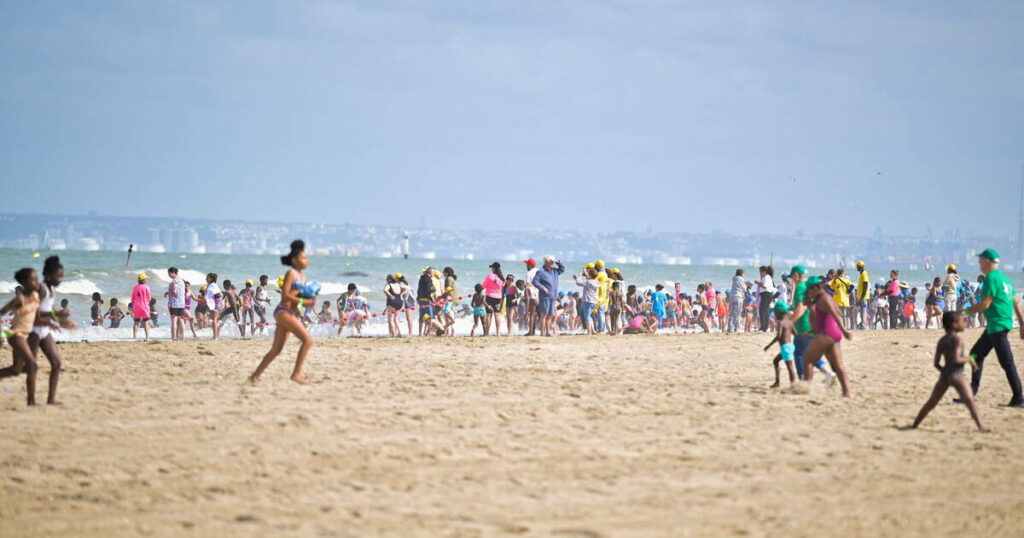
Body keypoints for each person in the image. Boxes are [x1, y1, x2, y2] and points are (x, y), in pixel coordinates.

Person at [956, 249, 1024, 407]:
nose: (979, 264)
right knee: (975, 354)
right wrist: (1021, 324)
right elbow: (1016, 302)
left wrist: (964, 312)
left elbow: (985, 303)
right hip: (1000, 325)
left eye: (980, 261)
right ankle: (971, 394)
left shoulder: (991, 278)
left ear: (987, 261)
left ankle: (1019, 397)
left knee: (1007, 362)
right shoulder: (1004, 278)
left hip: (997, 326)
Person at [250, 240, 315, 385]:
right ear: (294, 260)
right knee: (308, 340)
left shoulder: (303, 277)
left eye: (307, 258)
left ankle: (255, 375)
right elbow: (285, 295)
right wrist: (305, 302)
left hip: (291, 314)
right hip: (283, 311)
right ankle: (296, 374)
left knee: (277, 349)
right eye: (303, 258)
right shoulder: (291, 273)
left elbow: (297, 297)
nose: (306, 261)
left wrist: (309, 299)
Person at [910, 312, 987, 430]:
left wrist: (944, 372)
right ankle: (981, 426)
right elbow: (957, 359)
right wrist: (969, 359)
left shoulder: (942, 340)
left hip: (945, 376)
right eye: (962, 321)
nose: (964, 323)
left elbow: (936, 363)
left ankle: (915, 424)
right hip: (957, 375)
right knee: (970, 402)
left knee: (931, 402)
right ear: (954, 325)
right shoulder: (958, 340)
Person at [26, 257, 75, 405]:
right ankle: (31, 400)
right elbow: (34, 314)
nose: (60, 279)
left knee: (56, 363)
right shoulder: (40, 289)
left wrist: (62, 320)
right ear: (48, 275)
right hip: (34, 331)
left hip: (44, 331)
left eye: (62, 276)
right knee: (32, 366)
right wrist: (56, 316)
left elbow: (49, 310)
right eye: (58, 276)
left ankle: (51, 399)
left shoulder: (51, 290)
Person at [800, 277, 853, 397]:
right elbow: (827, 318)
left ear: (815, 288)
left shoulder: (824, 298)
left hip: (826, 334)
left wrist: (845, 331)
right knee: (838, 365)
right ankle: (847, 392)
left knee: (808, 359)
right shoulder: (824, 299)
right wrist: (808, 333)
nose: (809, 294)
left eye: (809, 291)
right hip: (833, 334)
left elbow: (835, 314)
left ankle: (805, 389)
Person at [0, 268, 45, 405]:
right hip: (16, 336)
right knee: (32, 365)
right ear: (24, 283)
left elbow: (37, 317)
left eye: (37, 279)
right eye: (32, 280)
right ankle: (31, 401)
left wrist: (57, 318)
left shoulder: (36, 297)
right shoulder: (19, 299)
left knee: (16, 369)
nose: (36, 282)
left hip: (27, 335)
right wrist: (1, 334)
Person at [789, 265, 832, 382]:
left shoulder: (799, 288)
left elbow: (801, 308)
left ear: (796, 275)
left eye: (792, 276)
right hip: (814, 324)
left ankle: (803, 379)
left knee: (798, 353)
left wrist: (789, 321)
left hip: (804, 325)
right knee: (809, 352)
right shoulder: (808, 286)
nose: (792, 279)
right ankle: (827, 373)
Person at [765, 301, 796, 388]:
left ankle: (793, 386)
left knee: (790, 367)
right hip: (790, 346)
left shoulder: (780, 322)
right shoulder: (790, 322)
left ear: (778, 312)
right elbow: (795, 333)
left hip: (785, 347)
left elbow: (778, 336)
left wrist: (769, 345)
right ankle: (777, 382)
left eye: (775, 312)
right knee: (776, 361)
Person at [532, 256, 565, 337]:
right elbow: (535, 281)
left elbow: (562, 269)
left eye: (553, 262)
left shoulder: (555, 271)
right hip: (544, 297)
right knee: (544, 315)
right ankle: (542, 333)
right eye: (551, 261)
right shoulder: (540, 271)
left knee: (550, 315)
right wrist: (543, 288)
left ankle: (548, 332)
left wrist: (558, 262)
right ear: (546, 263)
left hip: (553, 297)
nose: (552, 263)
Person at [574, 266, 600, 335]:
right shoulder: (597, 282)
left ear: (590, 275)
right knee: (589, 316)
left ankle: (589, 332)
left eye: (588, 274)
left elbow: (578, 283)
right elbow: (588, 279)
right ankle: (593, 330)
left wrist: (578, 277)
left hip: (587, 301)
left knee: (587, 317)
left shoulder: (589, 282)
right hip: (594, 301)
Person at [481, 262, 504, 336]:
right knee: (497, 315)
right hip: (498, 297)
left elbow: (483, 286)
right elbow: (503, 286)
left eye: (492, 268)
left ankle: (487, 333)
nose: (491, 269)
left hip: (489, 297)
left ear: (494, 268)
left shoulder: (489, 276)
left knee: (488, 315)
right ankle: (498, 333)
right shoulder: (502, 278)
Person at [754, 266, 776, 332]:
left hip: (767, 294)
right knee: (765, 311)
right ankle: (764, 327)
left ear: (764, 271)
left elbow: (764, 286)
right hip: (766, 294)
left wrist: (758, 283)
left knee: (762, 311)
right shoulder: (765, 277)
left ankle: (763, 327)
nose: (760, 273)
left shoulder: (767, 277)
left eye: (760, 271)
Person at [165, 267, 186, 341]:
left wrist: (167, 293)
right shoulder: (182, 281)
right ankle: (183, 337)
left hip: (174, 303)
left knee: (174, 320)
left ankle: (174, 337)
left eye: (169, 273)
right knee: (181, 320)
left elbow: (174, 291)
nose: (169, 275)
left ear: (173, 272)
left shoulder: (174, 281)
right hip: (182, 303)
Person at [131, 273, 152, 340]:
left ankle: (134, 336)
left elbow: (132, 298)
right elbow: (149, 298)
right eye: (145, 279)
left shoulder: (135, 287)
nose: (146, 280)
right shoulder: (146, 287)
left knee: (136, 322)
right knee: (145, 322)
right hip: (144, 306)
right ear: (143, 280)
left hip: (136, 306)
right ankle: (147, 337)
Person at [416, 267, 436, 335]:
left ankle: (420, 333)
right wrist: (433, 289)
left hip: (420, 299)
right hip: (426, 300)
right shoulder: (428, 279)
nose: (434, 273)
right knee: (430, 317)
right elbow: (428, 289)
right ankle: (428, 333)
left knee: (421, 316)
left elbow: (419, 289)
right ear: (430, 272)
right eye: (434, 272)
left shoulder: (421, 278)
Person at [522, 259, 540, 336]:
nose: (526, 266)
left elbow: (528, 287)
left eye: (527, 264)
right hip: (540, 294)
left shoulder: (528, 274)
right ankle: (542, 330)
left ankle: (531, 332)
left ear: (530, 265)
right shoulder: (539, 271)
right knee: (540, 314)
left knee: (531, 315)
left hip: (532, 295)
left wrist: (526, 298)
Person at [204, 273, 222, 340]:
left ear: (211, 278)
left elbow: (218, 294)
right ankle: (215, 336)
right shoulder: (210, 285)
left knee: (214, 320)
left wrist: (206, 299)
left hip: (216, 303)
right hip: (215, 303)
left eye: (207, 278)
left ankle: (215, 337)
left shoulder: (213, 285)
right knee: (213, 320)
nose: (206, 279)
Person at [855, 261, 870, 329]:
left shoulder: (864, 273)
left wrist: (862, 296)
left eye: (857, 266)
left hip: (863, 296)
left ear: (859, 266)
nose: (857, 268)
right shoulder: (862, 274)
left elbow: (865, 285)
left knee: (863, 311)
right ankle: (862, 324)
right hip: (861, 296)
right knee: (861, 311)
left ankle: (863, 325)